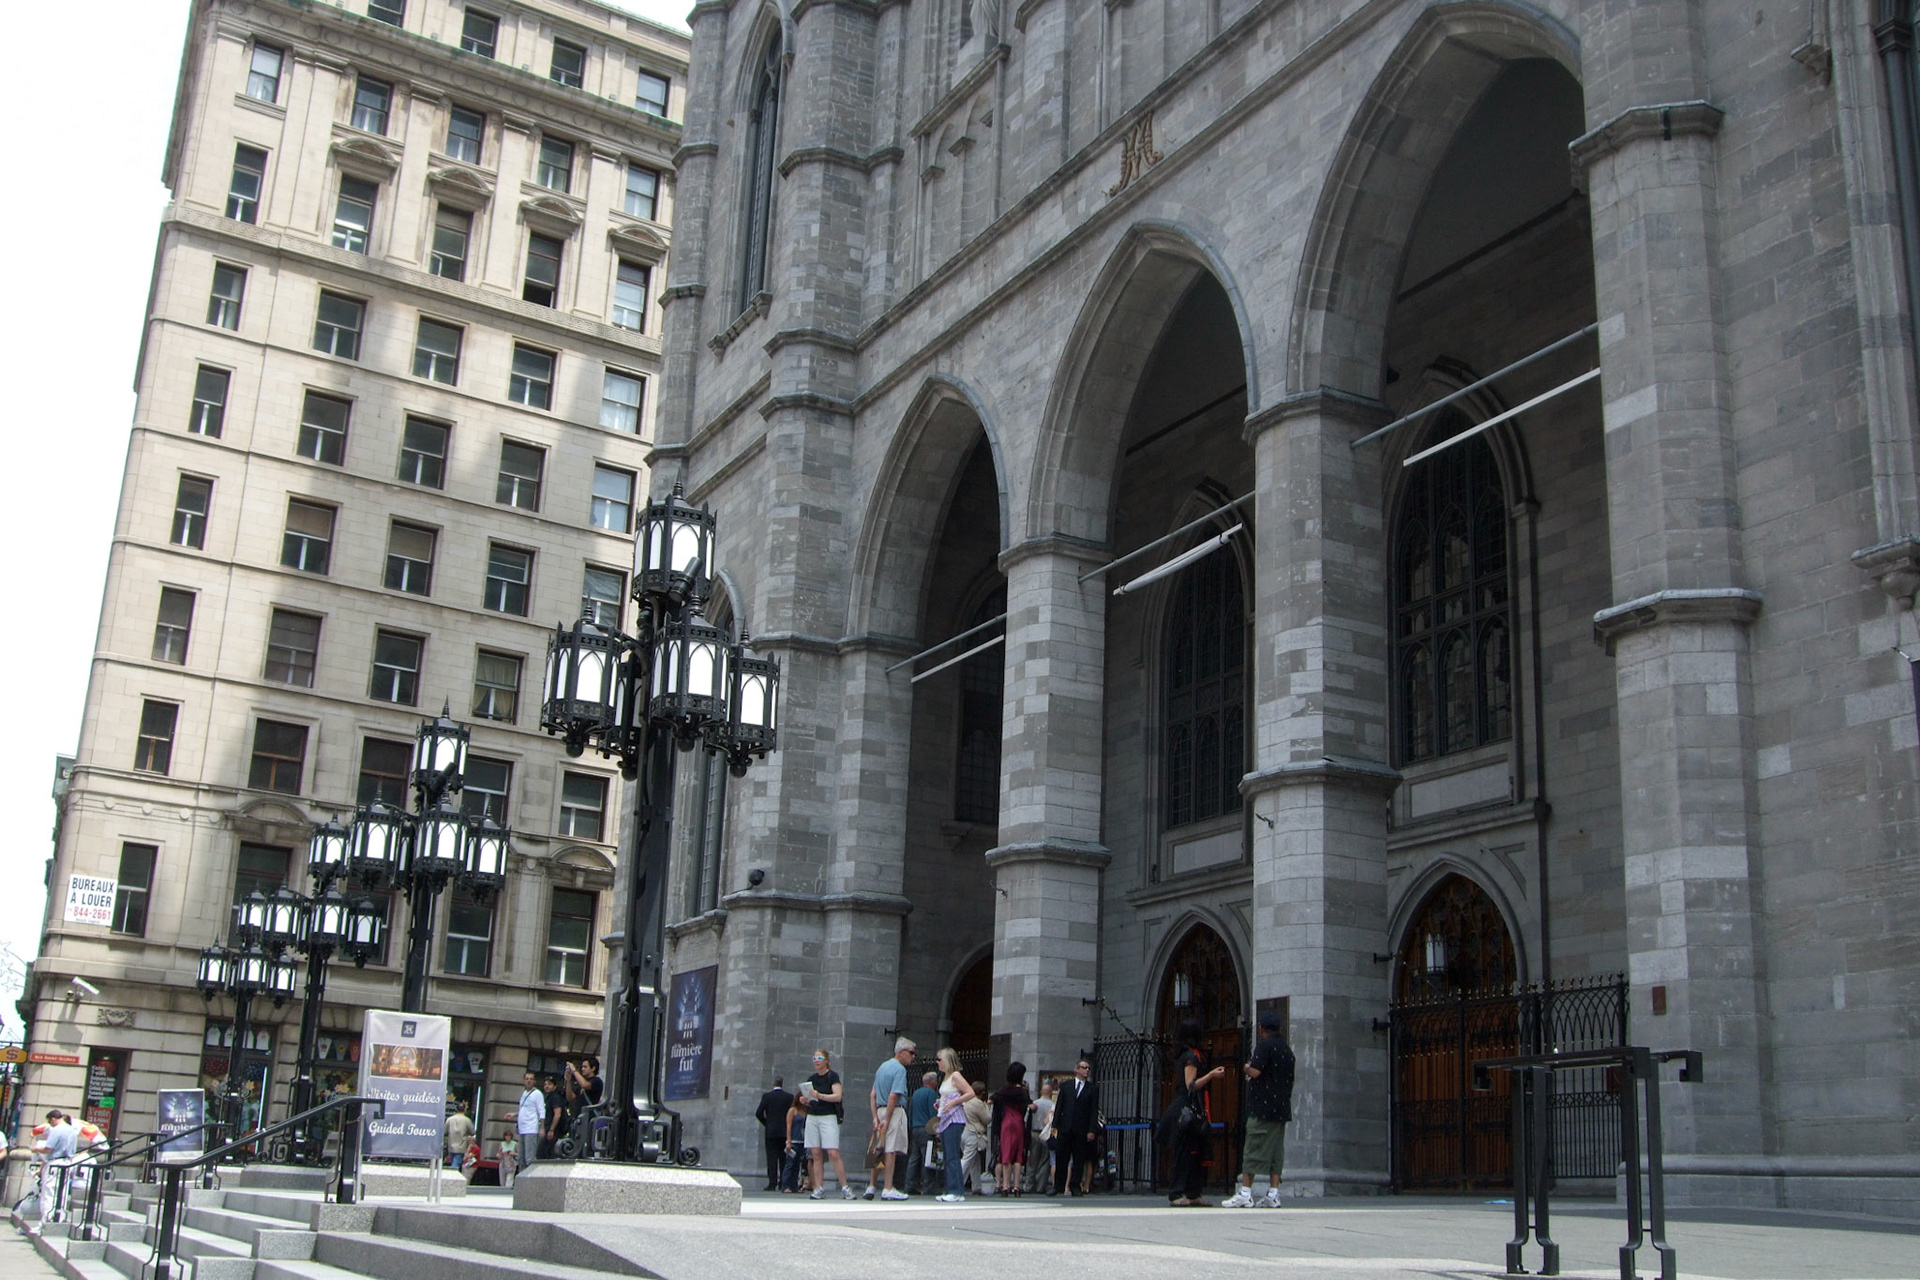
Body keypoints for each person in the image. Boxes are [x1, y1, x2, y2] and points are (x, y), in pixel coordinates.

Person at [1222, 1010, 1297, 1207]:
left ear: (1262, 1029)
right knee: (1275, 1152)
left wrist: (1246, 1067)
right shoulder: (1287, 1050)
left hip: (1263, 1107)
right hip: (1281, 1108)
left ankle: (1246, 1192)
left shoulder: (1265, 1046)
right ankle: (1273, 1193)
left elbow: (1255, 1072)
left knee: (1252, 1146)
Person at [1167, 1021, 1226, 1206]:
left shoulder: (1193, 1055)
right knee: (1185, 1152)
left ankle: (1193, 1192)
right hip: (1187, 1109)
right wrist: (1211, 1075)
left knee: (1195, 1153)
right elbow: (1190, 1085)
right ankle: (1177, 1193)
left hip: (1195, 1108)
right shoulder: (1190, 1057)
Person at [866, 1036, 914, 1200]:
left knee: (877, 1149)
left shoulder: (882, 1067)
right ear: (902, 1052)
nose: (913, 1057)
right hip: (893, 1112)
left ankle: (871, 1186)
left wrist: (876, 1118)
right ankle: (887, 1187)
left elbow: (872, 1095)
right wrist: (887, 1118)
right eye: (911, 1053)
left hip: (879, 1111)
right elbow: (894, 1095)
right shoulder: (900, 1069)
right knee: (890, 1150)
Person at [803, 1048, 854, 1199]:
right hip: (813, 1115)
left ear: (826, 1061)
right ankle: (818, 1187)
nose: (816, 1062)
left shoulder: (832, 1076)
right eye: (814, 1059)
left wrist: (820, 1096)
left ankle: (845, 1186)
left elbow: (837, 1096)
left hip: (828, 1115)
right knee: (816, 1153)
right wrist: (805, 1099)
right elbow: (808, 1096)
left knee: (833, 1152)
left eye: (819, 1059)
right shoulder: (811, 1078)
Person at [931, 1047, 975, 1203]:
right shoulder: (945, 1077)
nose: (937, 1063)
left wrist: (954, 1102)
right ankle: (951, 1189)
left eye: (939, 1059)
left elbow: (970, 1092)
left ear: (947, 1061)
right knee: (948, 1155)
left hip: (955, 1118)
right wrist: (941, 1104)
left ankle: (956, 1190)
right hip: (945, 1117)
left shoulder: (955, 1076)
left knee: (952, 1155)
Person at [1051, 1056, 1100, 1197]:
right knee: (1061, 1158)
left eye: (1088, 1068)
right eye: (1084, 1067)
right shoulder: (1066, 1086)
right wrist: (1055, 1125)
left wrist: (1091, 1130)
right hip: (1065, 1128)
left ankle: (1075, 1185)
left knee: (1079, 1159)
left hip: (1081, 1129)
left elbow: (1093, 1111)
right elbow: (1059, 1107)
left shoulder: (1092, 1089)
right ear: (1076, 1070)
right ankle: (1058, 1186)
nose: (1087, 1070)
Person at [989, 1062, 1032, 1196]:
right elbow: (1031, 1106)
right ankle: (1016, 1186)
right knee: (1018, 1155)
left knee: (1005, 1154)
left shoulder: (1003, 1090)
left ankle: (1005, 1185)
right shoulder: (1023, 1092)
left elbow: (991, 1100)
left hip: (1006, 1122)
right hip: (1018, 1123)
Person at [754, 1075, 794, 1191]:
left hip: (771, 1131)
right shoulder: (789, 1097)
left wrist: (767, 1123)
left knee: (771, 1158)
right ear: (782, 1084)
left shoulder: (767, 1097)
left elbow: (758, 1113)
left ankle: (772, 1183)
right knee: (783, 1158)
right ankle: (782, 1182)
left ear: (773, 1084)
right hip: (784, 1131)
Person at [905, 1070, 940, 1194]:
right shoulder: (931, 1094)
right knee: (928, 1158)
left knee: (914, 1158)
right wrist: (937, 1130)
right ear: (932, 1082)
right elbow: (933, 1113)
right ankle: (928, 1186)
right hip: (926, 1129)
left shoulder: (916, 1093)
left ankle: (909, 1185)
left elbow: (910, 1111)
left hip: (915, 1128)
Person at [961, 1080, 991, 1194]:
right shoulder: (977, 1103)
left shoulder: (965, 1101)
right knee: (967, 1159)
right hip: (973, 1134)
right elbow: (987, 1119)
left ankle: (976, 1186)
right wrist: (986, 1106)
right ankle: (957, 1184)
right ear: (982, 1093)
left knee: (974, 1161)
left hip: (964, 1132)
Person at [1025, 1079, 1055, 1193]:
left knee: (1032, 1160)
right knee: (1045, 1160)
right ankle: (1041, 1186)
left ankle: (1028, 1185)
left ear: (1041, 1092)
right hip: (1047, 1134)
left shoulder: (1035, 1103)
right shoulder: (1053, 1105)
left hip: (1034, 1133)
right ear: (1051, 1093)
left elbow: (1026, 1119)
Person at [515, 1071, 546, 1172]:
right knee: (521, 1157)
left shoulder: (537, 1094)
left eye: (531, 1079)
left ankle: (529, 1178)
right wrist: (514, 1114)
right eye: (527, 1079)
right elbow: (524, 1109)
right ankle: (521, 1179)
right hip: (522, 1128)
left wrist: (542, 1127)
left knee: (529, 1157)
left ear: (534, 1081)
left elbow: (541, 1110)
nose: (529, 1081)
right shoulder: (524, 1093)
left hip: (531, 1128)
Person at [780, 1094, 808, 1192]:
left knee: (797, 1165)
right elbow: (788, 1126)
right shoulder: (793, 1110)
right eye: (802, 1097)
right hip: (794, 1140)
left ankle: (794, 1185)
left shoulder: (806, 1111)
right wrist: (789, 1141)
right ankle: (785, 1185)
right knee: (790, 1163)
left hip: (803, 1141)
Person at [443, 1099, 474, 1171]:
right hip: (461, 1146)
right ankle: (453, 1178)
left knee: (453, 1162)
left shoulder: (449, 1119)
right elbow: (472, 1132)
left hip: (451, 1145)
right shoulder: (467, 1120)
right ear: (465, 1110)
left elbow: (445, 1131)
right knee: (456, 1165)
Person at [540, 1076, 564, 1159]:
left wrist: (551, 1130)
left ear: (555, 1086)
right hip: (547, 1127)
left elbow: (557, 1114)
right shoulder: (547, 1098)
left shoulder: (555, 1098)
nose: (547, 1086)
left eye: (549, 1084)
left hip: (552, 1129)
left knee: (547, 1153)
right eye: (545, 1084)